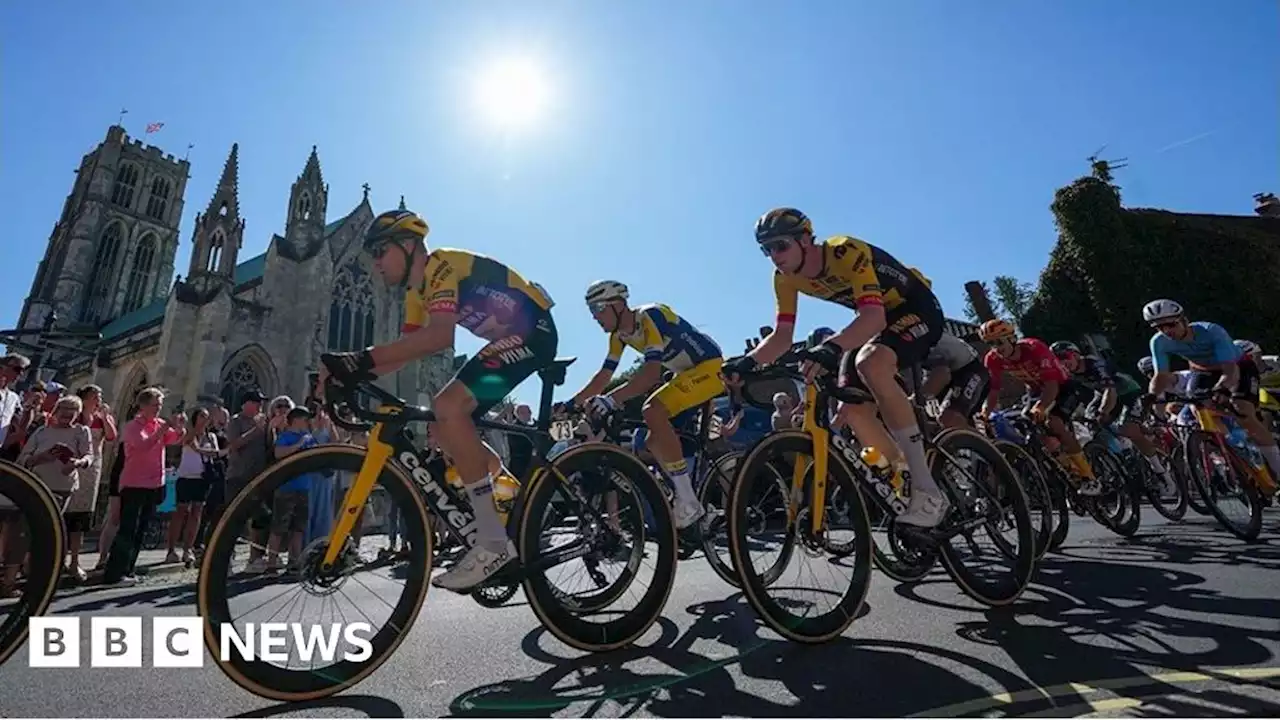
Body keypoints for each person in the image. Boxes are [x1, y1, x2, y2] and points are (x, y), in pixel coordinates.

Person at [318, 207, 558, 592]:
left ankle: (492, 541)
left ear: (409, 245)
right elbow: (408, 349)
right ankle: (504, 488)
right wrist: (352, 376)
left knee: (448, 406)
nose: (375, 263)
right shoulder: (416, 292)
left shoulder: (440, 266)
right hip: (508, 339)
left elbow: (440, 338)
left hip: (534, 331)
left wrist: (358, 360)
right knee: (444, 425)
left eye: (380, 251)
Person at [721, 207, 948, 527]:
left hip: (916, 309)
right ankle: (904, 474)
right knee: (852, 409)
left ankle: (928, 491)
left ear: (805, 240)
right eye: (766, 249)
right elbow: (782, 336)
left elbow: (873, 317)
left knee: (871, 363)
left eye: (780, 245)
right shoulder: (784, 278)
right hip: (879, 323)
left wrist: (830, 347)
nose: (774, 256)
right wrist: (747, 363)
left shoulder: (846, 252)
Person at [564, 281, 723, 529]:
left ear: (618, 304)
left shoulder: (648, 317)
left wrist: (612, 399)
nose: (595, 317)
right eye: (590, 310)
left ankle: (689, 502)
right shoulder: (619, 336)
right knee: (652, 441)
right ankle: (688, 498)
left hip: (709, 367)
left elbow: (651, 374)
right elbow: (603, 376)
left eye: (598, 308)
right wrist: (572, 403)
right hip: (685, 374)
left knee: (652, 411)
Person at [1143, 299, 1280, 482]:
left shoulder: (1211, 331)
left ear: (1184, 320)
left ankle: (1277, 469)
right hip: (1203, 370)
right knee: (1196, 405)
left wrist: (1222, 389)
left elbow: (1231, 371)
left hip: (1238, 367)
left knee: (1244, 412)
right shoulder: (1158, 342)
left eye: (1170, 324)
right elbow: (1160, 377)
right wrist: (1151, 398)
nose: (1167, 331)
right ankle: (1232, 447)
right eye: (1160, 327)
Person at [980, 320, 1101, 495]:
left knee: (1054, 421)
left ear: (1012, 339)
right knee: (1033, 427)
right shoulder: (992, 359)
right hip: (1035, 390)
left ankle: (1089, 477)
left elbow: (1052, 385)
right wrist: (985, 412)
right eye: (990, 344)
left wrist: (1041, 407)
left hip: (1062, 387)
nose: (996, 348)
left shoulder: (1034, 348)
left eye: (999, 342)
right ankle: (1069, 471)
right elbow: (993, 390)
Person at [1052, 341, 1175, 494]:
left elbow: (1110, 392)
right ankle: (1122, 450)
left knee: (1128, 428)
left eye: (1065, 357)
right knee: (1091, 425)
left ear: (1076, 355)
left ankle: (1160, 472)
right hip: (1102, 395)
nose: (1063, 362)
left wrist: (1103, 413)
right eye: (1058, 360)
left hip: (1128, 393)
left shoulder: (1096, 365)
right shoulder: (1068, 374)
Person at [103, 387, 184, 586]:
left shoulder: (158, 424)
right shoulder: (132, 426)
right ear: (143, 406)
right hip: (134, 483)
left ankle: (128, 570)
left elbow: (174, 440)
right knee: (128, 529)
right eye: (155, 405)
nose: (158, 409)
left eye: (160, 406)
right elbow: (143, 445)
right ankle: (114, 573)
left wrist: (180, 428)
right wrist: (164, 429)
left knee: (140, 530)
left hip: (154, 483)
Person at [64, 385, 117, 582]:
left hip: (92, 469)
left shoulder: (102, 418)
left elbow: (112, 437)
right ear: (84, 398)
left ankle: (75, 561)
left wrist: (104, 418)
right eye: (95, 396)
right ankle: (60, 558)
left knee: (82, 516)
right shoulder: (74, 415)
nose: (99, 399)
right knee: (65, 514)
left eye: (100, 395)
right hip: (71, 467)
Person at [166, 407, 219, 564]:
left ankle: (188, 548)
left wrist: (200, 449)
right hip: (186, 477)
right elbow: (184, 442)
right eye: (202, 416)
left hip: (202, 478)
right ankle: (171, 549)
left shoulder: (211, 437)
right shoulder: (189, 434)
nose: (205, 420)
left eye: (207, 417)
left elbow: (215, 453)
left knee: (196, 513)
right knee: (180, 512)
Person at [918, 332, 989, 429]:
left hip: (970, 368)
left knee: (949, 418)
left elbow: (942, 375)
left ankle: (978, 443)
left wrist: (917, 399)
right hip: (951, 370)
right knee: (933, 419)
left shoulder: (920, 343)